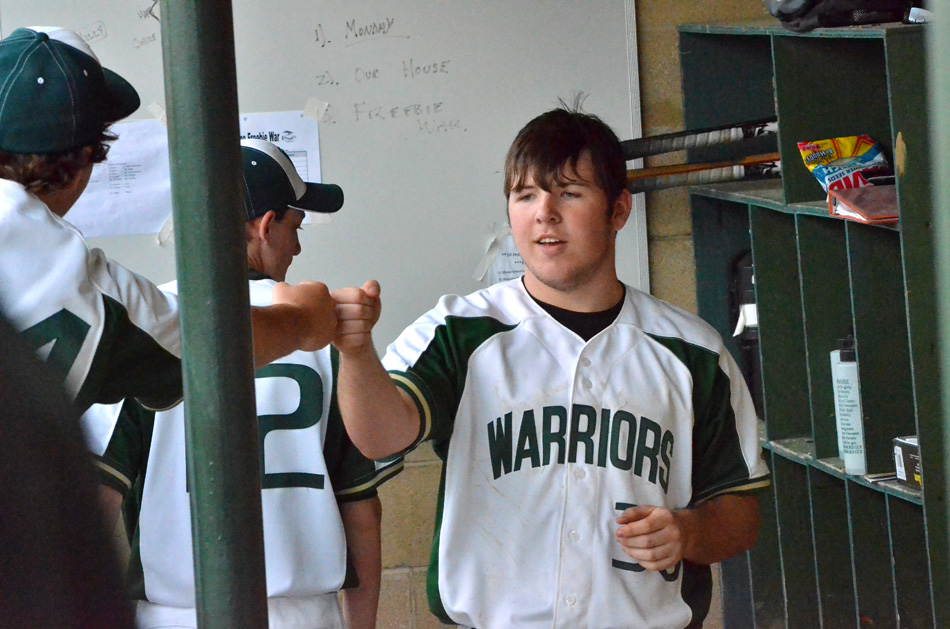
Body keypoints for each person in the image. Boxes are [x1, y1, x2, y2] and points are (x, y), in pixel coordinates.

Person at [333, 106, 770, 628]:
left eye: (569, 192)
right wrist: (357, 354)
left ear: (619, 211)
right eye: (525, 195)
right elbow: (378, 437)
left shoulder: (693, 351)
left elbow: (740, 515)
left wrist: (689, 532)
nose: (544, 212)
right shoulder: (459, 329)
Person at [84, 139, 402, 629]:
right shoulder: (327, 333)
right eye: (294, 228)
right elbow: (362, 511)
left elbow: (95, 507)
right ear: (266, 225)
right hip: (304, 616)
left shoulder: (146, 327)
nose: (296, 247)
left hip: (173, 617)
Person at [0, 27, 336, 415]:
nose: (296, 245)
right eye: (294, 226)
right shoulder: (71, 275)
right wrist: (304, 319)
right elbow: (210, 348)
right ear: (83, 163)